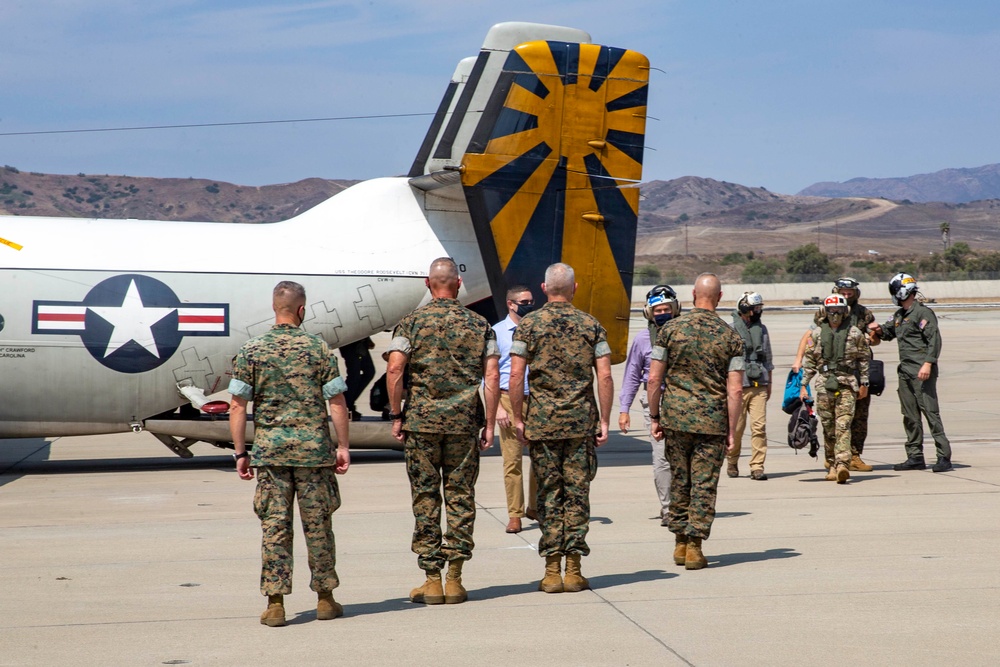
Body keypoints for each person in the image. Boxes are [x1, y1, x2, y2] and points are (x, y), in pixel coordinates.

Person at [228, 280, 351, 627]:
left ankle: (276, 603)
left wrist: (241, 452)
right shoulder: (320, 349)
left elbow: (238, 406)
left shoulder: (251, 351)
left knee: (275, 528)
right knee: (319, 527)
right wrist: (342, 446)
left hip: (271, 454)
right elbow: (337, 402)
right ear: (302, 310)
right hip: (314, 455)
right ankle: (325, 598)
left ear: (274, 308)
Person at [386, 258, 500, 605]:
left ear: (427, 283)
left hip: (421, 424)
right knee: (461, 497)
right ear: (459, 283)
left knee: (426, 497)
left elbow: (394, 371)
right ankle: (455, 579)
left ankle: (431, 579)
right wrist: (491, 423)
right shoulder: (480, 325)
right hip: (464, 424)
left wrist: (396, 414)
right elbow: (492, 376)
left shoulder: (410, 324)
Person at [509, 263, 613, 594]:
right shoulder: (591, 325)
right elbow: (606, 376)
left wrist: (518, 417)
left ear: (543, 288)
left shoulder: (528, 326)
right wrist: (605, 419)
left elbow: (515, 375)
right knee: (577, 497)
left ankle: (552, 571)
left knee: (549, 496)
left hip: (543, 424)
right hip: (581, 424)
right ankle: (574, 569)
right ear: (575, 288)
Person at [647, 273, 744, 570]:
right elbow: (736, 389)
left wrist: (654, 416)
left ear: (692, 295)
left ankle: (679, 542)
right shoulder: (730, 336)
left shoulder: (669, 330)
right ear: (720, 297)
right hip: (711, 423)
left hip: (675, 418)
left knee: (680, 480)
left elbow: (654, 378)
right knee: (703, 484)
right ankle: (694, 547)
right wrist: (731, 429)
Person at [869, 273, 952, 472]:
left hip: (921, 372)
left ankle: (944, 456)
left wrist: (928, 364)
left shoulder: (923, 313)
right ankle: (915, 456)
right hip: (905, 372)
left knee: (930, 412)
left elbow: (934, 341)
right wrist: (877, 329)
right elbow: (888, 332)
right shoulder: (899, 316)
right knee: (909, 415)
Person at [793, 277, 878, 472]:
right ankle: (832, 460)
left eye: (850, 293)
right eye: (843, 293)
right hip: (826, 379)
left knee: (850, 421)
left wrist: (870, 339)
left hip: (852, 376)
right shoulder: (820, 325)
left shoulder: (862, 316)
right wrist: (801, 375)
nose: (835, 315)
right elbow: (810, 348)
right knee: (830, 425)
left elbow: (874, 340)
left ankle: (848, 459)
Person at [619, 284, 680, 525]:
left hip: (683, 399)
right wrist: (624, 409)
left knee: (683, 457)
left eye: (666, 308)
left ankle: (683, 504)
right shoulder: (642, 339)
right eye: (657, 310)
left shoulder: (685, 333)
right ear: (649, 313)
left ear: (675, 309)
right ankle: (668, 508)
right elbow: (632, 375)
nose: (662, 313)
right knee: (661, 458)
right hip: (654, 400)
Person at [492, 284, 538, 534]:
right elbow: (488, 374)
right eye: (525, 301)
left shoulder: (539, 328)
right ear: (511, 303)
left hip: (537, 398)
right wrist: (498, 407)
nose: (530, 305)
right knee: (512, 460)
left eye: (532, 300)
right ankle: (515, 514)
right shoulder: (497, 332)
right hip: (508, 399)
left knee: (539, 458)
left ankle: (535, 506)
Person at [727, 291, 774, 481]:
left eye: (759, 308)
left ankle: (757, 466)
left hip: (759, 384)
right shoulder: (730, 330)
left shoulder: (762, 330)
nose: (758, 311)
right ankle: (732, 461)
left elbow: (768, 358)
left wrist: (769, 382)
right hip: (738, 385)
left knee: (759, 427)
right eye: (755, 308)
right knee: (737, 428)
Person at [340, 337, 375, 420]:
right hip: (349, 342)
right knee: (354, 375)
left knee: (369, 372)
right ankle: (346, 405)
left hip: (360, 342)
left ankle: (347, 403)